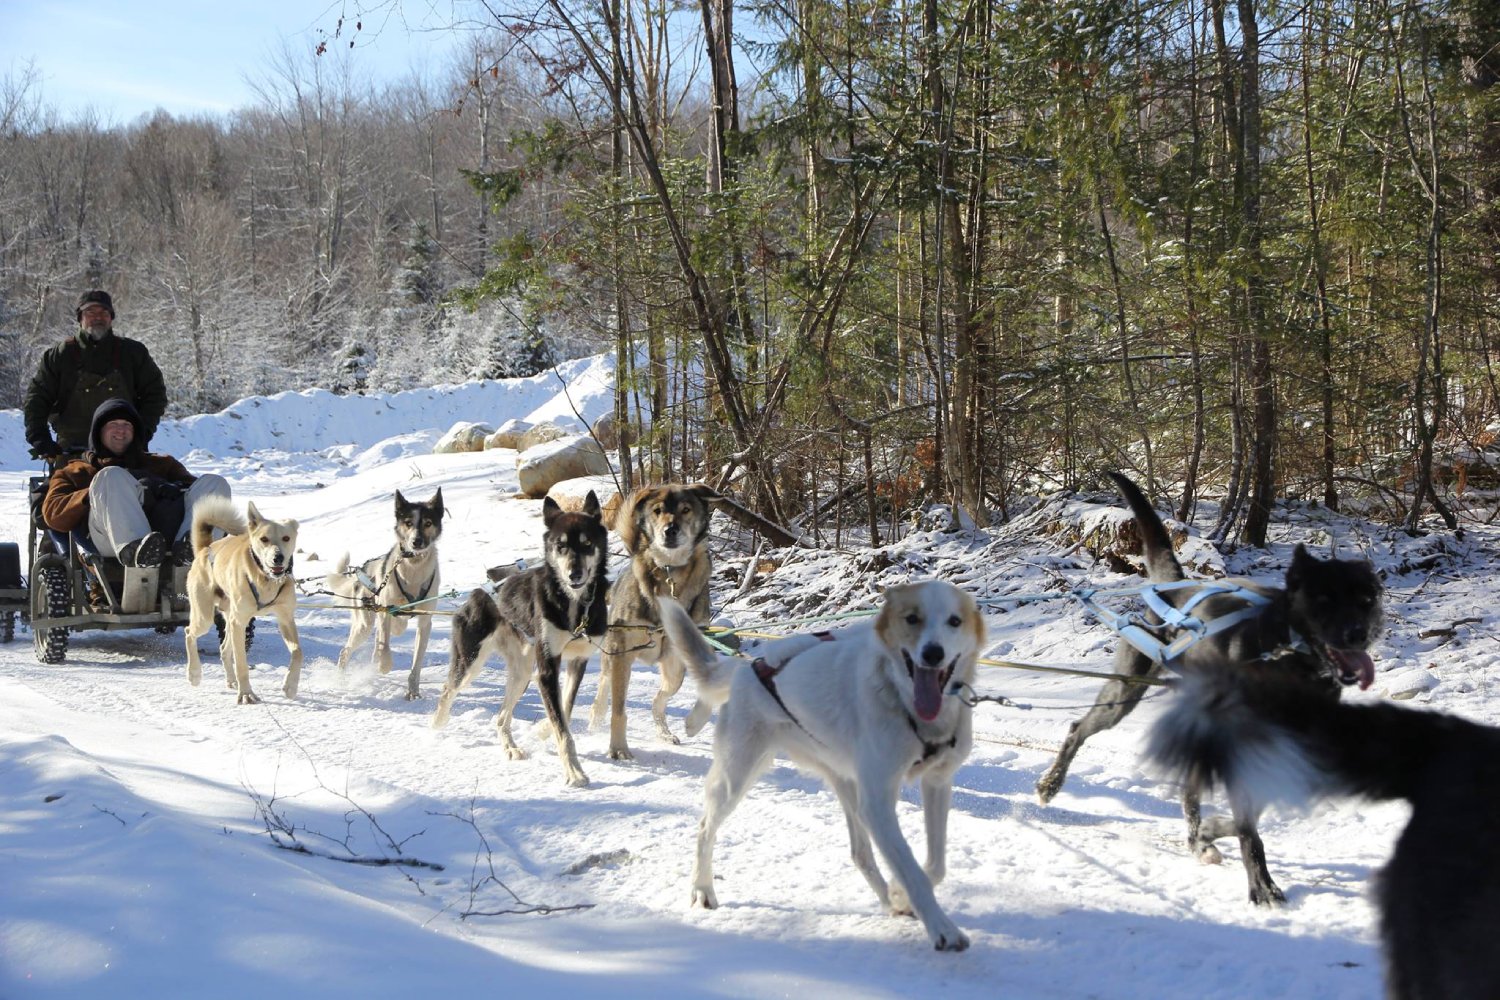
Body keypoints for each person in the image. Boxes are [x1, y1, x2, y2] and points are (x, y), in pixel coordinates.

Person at [41, 398, 229, 568]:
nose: (120, 430)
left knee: (215, 483)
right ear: (99, 432)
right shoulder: (75, 471)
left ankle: (195, 548)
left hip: (170, 536)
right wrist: (94, 493)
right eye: (113, 424)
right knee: (111, 476)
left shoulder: (163, 464)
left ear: (135, 432)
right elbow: (52, 513)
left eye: (127, 425)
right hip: (106, 540)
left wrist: (172, 487)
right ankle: (137, 551)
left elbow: (197, 491)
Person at [24, 290, 168, 460]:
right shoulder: (60, 356)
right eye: (90, 312)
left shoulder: (133, 353)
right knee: (64, 486)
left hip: (124, 450)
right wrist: (39, 437)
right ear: (80, 318)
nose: (97, 317)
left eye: (103, 312)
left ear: (111, 317)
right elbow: (37, 398)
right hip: (72, 450)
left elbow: (155, 394)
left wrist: (141, 432)